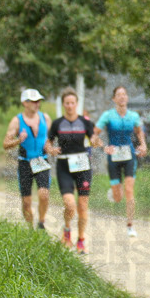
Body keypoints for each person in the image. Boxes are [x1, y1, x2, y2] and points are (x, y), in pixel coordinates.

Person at [94, 86, 148, 237]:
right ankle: (115, 192)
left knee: (129, 189)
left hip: (129, 155)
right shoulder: (108, 115)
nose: (122, 97)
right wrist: (104, 146)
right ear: (114, 99)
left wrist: (143, 144)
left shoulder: (133, 116)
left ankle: (130, 225)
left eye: (124, 94)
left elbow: (139, 132)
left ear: (127, 98)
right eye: (118, 95)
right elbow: (94, 135)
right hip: (113, 157)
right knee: (118, 197)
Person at [49, 88, 95, 254]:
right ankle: (67, 230)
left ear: (76, 104)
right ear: (63, 105)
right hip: (64, 166)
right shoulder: (57, 123)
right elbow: (48, 143)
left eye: (72, 103)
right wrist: (51, 149)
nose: (69, 106)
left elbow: (93, 138)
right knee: (70, 204)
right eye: (66, 103)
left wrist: (97, 141)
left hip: (82, 165)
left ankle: (81, 239)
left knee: (83, 206)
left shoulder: (84, 122)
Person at [2, 88, 51, 229]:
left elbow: (49, 140)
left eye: (39, 101)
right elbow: (5, 144)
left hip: (42, 161)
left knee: (44, 194)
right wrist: (18, 140)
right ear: (25, 103)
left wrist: (50, 148)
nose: (37, 104)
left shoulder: (45, 118)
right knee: (26, 202)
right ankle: (30, 229)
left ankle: (41, 223)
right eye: (34, 101)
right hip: (25, 163)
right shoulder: (16, 121)